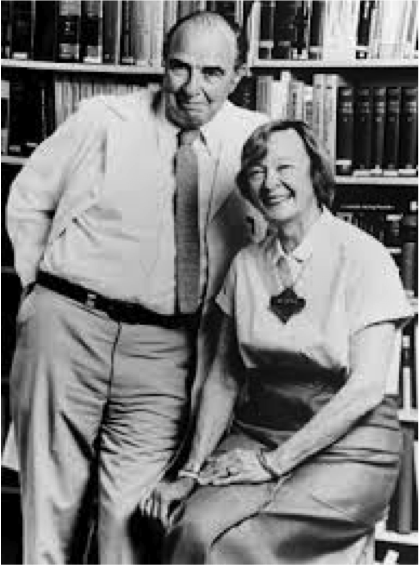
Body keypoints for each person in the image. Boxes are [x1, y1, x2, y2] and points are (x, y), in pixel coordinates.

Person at [6, 11, 268, 565]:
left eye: (212, 72)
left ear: (240, 74)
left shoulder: (254, 140)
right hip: (69, 326)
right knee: (48, 508)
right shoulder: (103, 119)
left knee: (131, 520)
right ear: (162, 64)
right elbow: (28, 201)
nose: (191, 87)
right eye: (179, 67)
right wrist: (40, 295)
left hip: (167, 350)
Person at [141, 120, 413, 565]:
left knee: (238, 546)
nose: (271, 182)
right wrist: (190, 473)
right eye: (257, 171)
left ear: (315, 173)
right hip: (259, 432)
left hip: (349, 445)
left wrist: (273, 464)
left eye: (285, 166)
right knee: (190, 529)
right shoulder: (245, 265)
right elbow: (224, 381)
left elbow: (364, 389)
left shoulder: (364, 255)